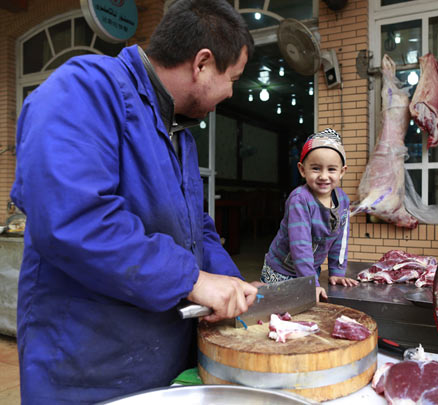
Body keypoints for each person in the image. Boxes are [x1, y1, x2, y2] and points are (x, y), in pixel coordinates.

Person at [10, 1, 259, 403]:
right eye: (233, 78)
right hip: (88, 366)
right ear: (202, 63)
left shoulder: (179, 131)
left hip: (160, 359)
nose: (231, 92)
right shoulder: (84, 90)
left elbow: (197, 228)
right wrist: (192, 280)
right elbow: (75, 221)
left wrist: (234, 285)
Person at [261, 128, 359, 301]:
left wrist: (337, 271)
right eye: (315, 168)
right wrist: (311, 283)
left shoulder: (343, 201)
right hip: (281, 271)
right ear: (302, 169)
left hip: (309, 272)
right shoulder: (299, 199)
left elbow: (340, 240)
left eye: (331, 169)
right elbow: (300, 246)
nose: (323, 176)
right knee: (280, 315)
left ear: (342, 172)